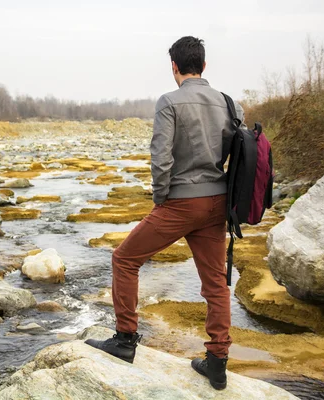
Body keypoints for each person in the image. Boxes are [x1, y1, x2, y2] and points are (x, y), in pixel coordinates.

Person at [85, 36, 245, 391]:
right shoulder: (230, 104)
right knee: (216, 283)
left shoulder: (169, 102)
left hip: (181, 202)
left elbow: (161, 157)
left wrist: (161, 200)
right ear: (203, 65)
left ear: (174, 66)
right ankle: (217, 362)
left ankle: (125, 340)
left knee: (124, 260)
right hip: (218, 202)